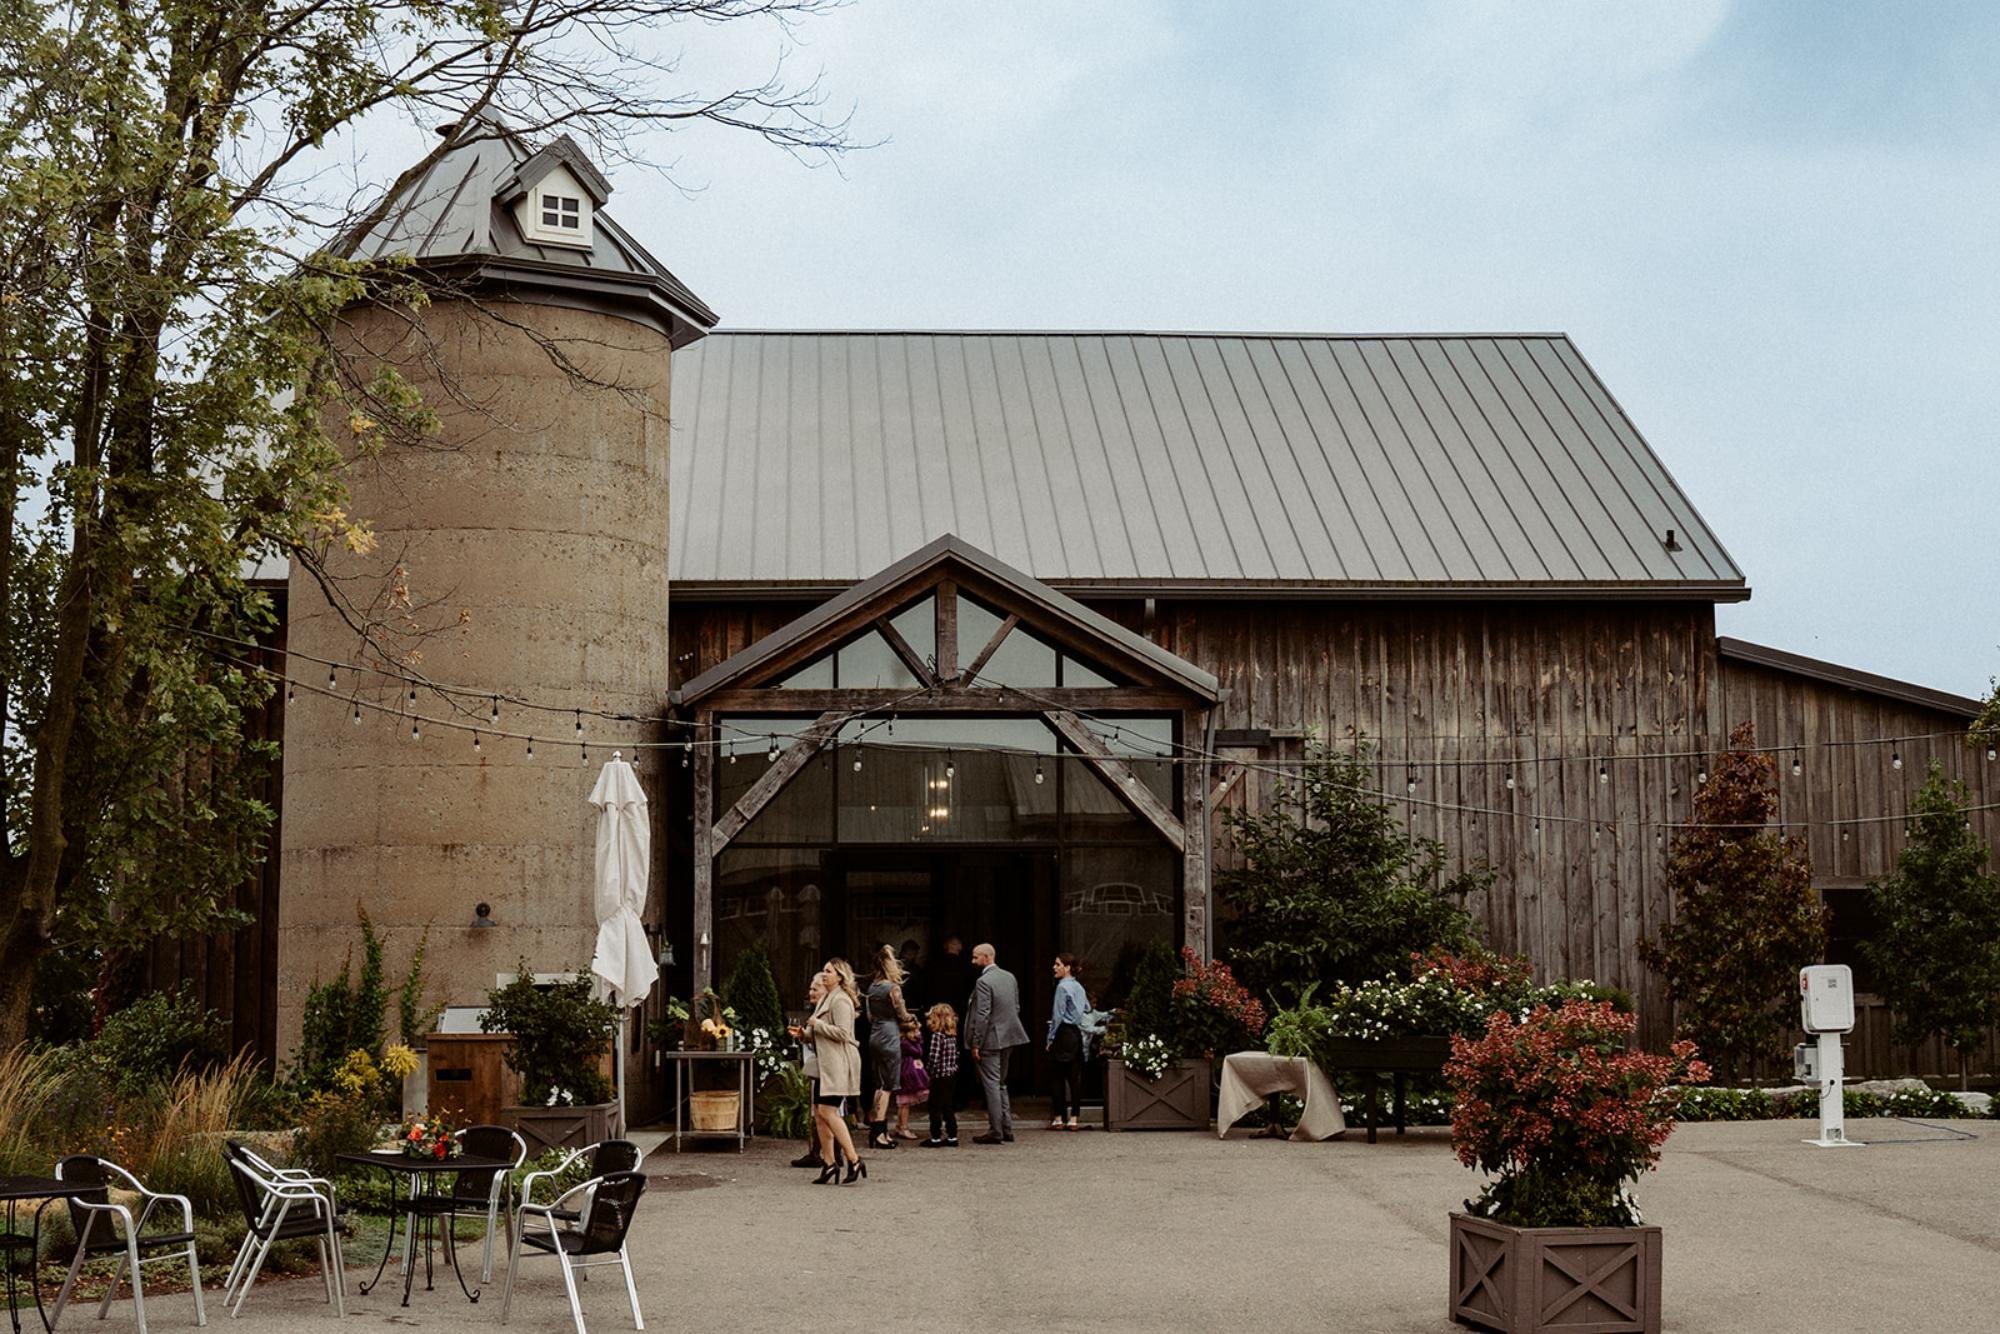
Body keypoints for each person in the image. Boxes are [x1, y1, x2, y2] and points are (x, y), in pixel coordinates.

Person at [791, 958, 866, 1184]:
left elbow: (844, 1033)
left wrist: (817, 1024)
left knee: (828, 1112)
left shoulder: (841, 1000)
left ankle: (853, 1159)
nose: (824, 974)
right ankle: (829, 1163)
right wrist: (803, 1034)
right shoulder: (826, 999)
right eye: (823, 970)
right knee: (820, 1114)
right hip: (826, 1064)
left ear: (840, 976)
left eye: (829, 971)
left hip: (837, 1064)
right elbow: (819, 1032)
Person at [964, 942, 1028, 1144]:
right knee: (1000, 1084)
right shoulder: (1009, 977)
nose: (973, 961)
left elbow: (982, 1014)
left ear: (987, 957)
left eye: (976, 957)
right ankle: (1006, 1128)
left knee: (991, 1085)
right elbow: (1015, 1006)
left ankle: (996, 1130)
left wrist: (976, 1042)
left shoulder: (984, 981)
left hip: (990, 1039)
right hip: (1009, 1036)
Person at [864, 944, 914, 1151]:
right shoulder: (893, 988)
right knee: (888, 1086)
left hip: (875, 1034)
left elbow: (869, 1015)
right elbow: (902, 1014)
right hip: (890, 1035)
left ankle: (877, 1127)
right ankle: (879, 1132)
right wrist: (911, 1020)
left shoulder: (872, 987)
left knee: (879, 1083)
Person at [1046, 952, 1088, 1131]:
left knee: (1057, 1077)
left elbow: (1057, 1015)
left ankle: (1058, 1117)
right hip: (1075, 1033)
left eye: (1057, 964)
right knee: (1074, 1078)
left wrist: (1050, 1038)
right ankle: (1074, 1118)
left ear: (1067, 967)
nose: (1054, 968)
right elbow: (1087, 1008)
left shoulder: (1062, 987)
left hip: (1063, 1033)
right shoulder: (1079, 987)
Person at [791, 973, 829, 1169]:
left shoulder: (826, 1011)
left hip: (829, 1066)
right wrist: (803, 1035)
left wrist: (814, 1027)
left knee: (828, 1111)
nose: (810, 992)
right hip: (819, 1064)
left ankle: (841, 1155)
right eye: (810, 988)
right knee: (822, 1110)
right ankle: (824, 1152)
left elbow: (839, 1035)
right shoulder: (818, 1010)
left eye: (815, 989)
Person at [920, 1003, 959, 1147]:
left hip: (939, 1076)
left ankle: (935, 1136)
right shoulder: (952, 1037)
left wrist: (928, 1071)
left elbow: (934, 1057)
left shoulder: (937, 1036)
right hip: (951, 1075)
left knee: (934, 1107)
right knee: (948, 1106)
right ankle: (952, 1135)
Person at [892, 1015, 928, 1139]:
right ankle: (904, 1127)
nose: (919, 1033)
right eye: (916, 1031)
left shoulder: (903, 1042)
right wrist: (918, 1040)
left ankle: (899, 1125)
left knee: (903, 1103)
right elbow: (919, 1052)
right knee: (905, 1103)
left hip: (906, 1073)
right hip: (907, 1075)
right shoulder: (906, 1044)